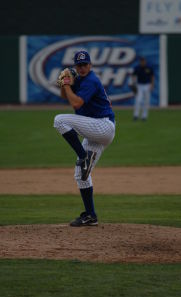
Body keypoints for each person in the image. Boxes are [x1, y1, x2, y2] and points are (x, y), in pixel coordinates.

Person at [54, 50, 115, 227]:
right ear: (75, 65)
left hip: (102, 126)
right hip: (96, 130)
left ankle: (83, 156)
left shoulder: (91, 80)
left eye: (85, 64)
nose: (82, 68)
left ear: (90, 65)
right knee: (81, 174)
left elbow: (76, 103)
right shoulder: (79, 79)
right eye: (79, 65)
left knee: (59, 120)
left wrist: (66, 84)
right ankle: (90, 215)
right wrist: (64, 86)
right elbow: (66, 97)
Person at [132, 56, 154, 121]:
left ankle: (144, 116)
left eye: (143, 61)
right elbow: (133, 76)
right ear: (140, 62)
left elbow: (152, 76)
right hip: (139, 85)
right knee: (138, 100)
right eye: (141, 61)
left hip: (147, 85)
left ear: (145, 61)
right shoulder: (137, 68)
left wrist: (152, 85)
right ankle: (136, 115)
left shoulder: (149, 67)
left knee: (146, 101)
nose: (142, 62)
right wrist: (134, 84)